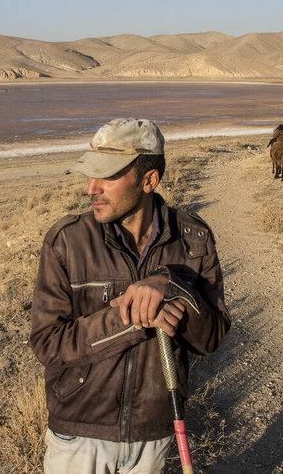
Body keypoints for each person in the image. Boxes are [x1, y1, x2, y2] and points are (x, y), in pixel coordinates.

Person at [30, 117, 230, 473]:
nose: (92, 188)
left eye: (107, 176)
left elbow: (212, 338)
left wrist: (171, 285)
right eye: (90, 174)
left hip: (152, 436)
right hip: (79, 435)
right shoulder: (68, 242)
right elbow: (47, 344)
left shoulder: (194, 241)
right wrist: (133, 320)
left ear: (149, 179)